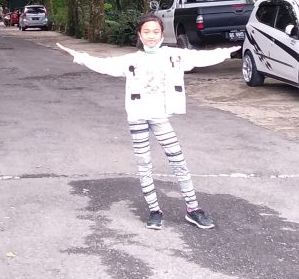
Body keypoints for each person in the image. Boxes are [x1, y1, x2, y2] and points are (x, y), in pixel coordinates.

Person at [57, 14, 238, 231]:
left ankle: (193, 209)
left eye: (155, 32)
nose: (151, 36)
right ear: (139, 35)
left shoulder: (174, 55)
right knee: (144, 163)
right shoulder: (131, 60)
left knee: (178, 161)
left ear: (162, 34)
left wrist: (225, 52)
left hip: (161, 117)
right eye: (146, 32)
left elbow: (199, 57)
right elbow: (104, 64)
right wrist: (78, 55)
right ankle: (154, 211)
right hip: (137, 116)